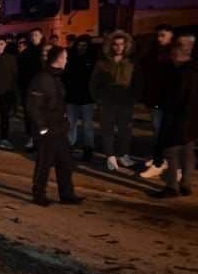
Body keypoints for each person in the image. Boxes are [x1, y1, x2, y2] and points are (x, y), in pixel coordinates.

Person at [27, 46, 83, 207]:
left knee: (65, 162)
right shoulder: (42, 78)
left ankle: (67, 194)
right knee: (44, 163)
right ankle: (39, 194)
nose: (67, 60)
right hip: (48, 128)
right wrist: (42, 128)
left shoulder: (55, 77)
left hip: (59, 127)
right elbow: (33, 106)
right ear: (58, 59)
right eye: (65, 57)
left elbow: (58, 102)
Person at [152, 34, 197, 198]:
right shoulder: (193, 69)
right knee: (188, 151)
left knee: (171, 151)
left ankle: (172, 187)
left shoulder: (181, 74)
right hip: (192, 120)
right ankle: (185, 184)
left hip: (178, 119)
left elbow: (175, 99)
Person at [90, 30, 140, 171]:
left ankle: (124, 155)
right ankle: (110, 157)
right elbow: (93, 83)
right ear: (111, 46)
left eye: (121, 44)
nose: (118, 47)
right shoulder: (103, 63)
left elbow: (138, 82)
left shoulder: (131, 63)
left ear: (126, 46)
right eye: (115, 44)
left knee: (125, 131)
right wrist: (98, 98)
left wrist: (134, 97)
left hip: (125, 102)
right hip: (107, 102)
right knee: (107, 130)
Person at [140, 24, 175, 178]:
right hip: (155, 98)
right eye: (158, 35)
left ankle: (162, 162)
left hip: (169, 99)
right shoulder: (153, 51)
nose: (159, 38)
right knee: (157, 130)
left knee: (166, 133)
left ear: (171, 36)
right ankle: (159, 159)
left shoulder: (175, 53)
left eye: (163, 35)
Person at [63, 35, 97, 161]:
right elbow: (66, 77)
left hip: (87, 98)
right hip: (72, 97)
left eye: (84, 45)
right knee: (71, 125)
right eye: (79, 45)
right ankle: (70, 146)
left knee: (87, 125)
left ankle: (88, 149)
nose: (81, 48)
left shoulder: (92, 60)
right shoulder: (71, 59)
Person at [18, 28, 45, 151]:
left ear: (41, 36)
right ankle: (31, 137)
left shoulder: (46, 51)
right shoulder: (26, 53)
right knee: (29, 115)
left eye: (36, 35)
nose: (34, 37)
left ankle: (42, 139)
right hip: (28, 89)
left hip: (43, 89)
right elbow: (21, 72)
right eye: (32, 35)